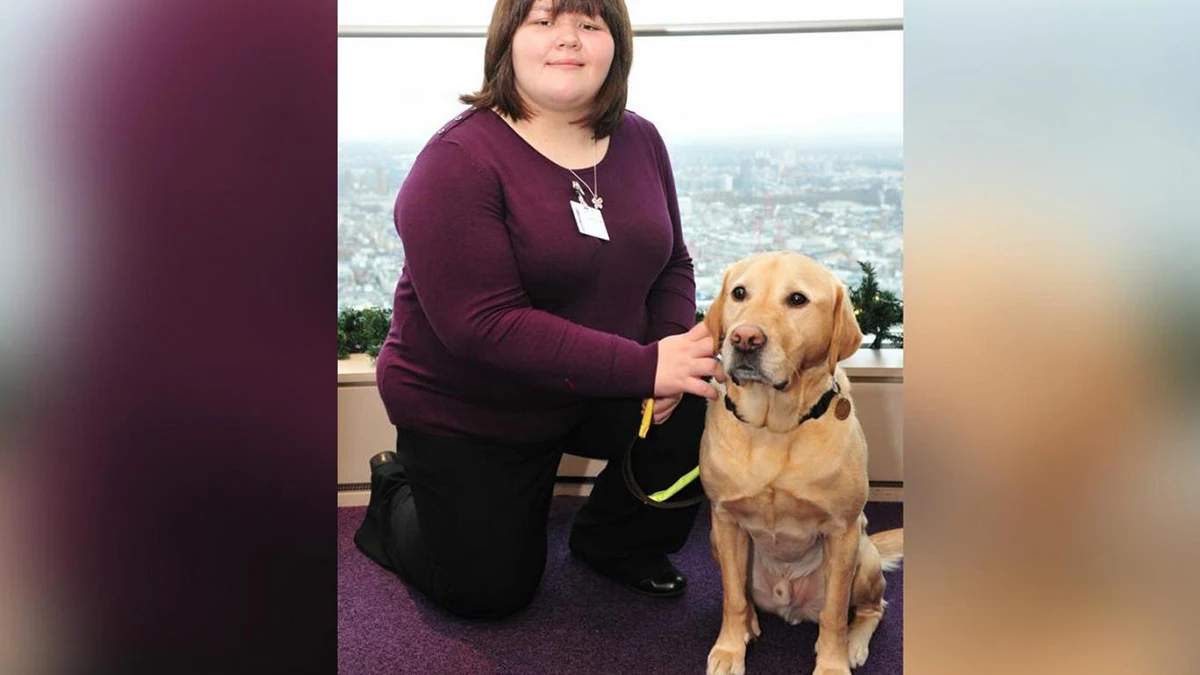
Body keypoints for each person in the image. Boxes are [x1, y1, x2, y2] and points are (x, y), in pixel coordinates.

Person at [354, 0, 724, 620]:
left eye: (589, 23)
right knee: (486, 593)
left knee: (703, 399)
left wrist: (667, 355)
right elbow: (484, 328)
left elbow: (671, 263)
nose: (568, 40)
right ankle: (395, 495)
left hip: (596, 380)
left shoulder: (640, 138)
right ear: (508, 40)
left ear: (616, 45)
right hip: (475, 408)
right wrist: (642, 367)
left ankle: (613, 544)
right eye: (545, 21)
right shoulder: (456, 162)